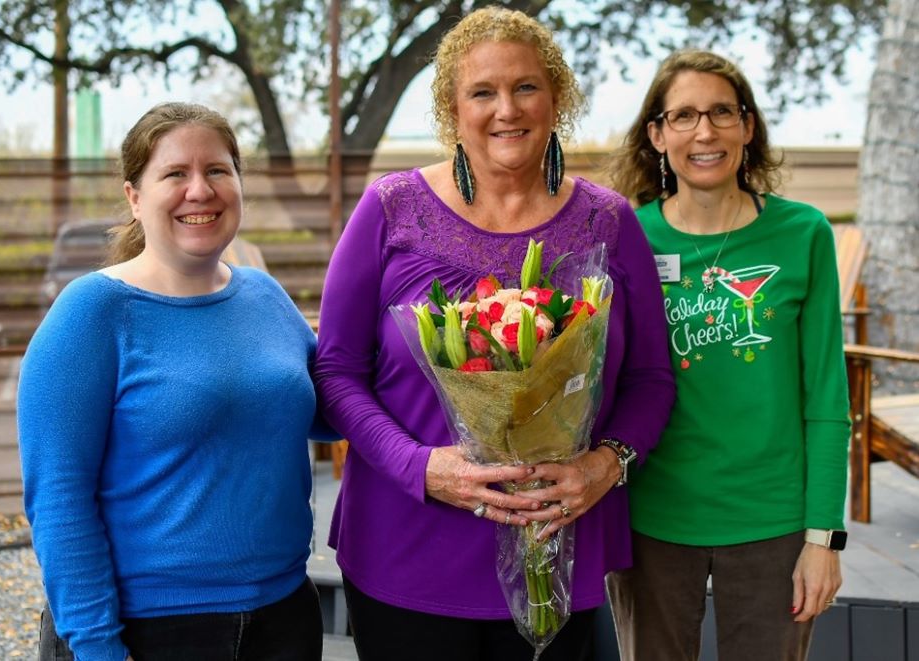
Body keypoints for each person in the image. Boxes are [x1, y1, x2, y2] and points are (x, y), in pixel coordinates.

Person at [314, 7, 675, 660]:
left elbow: (651, 378)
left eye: (526, 87)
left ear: (556, 98)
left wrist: (606, 464)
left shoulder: (610, 222)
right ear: (452, 109)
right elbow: (337, 371)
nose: (506, 109)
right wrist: (419, 466)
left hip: (560, 552)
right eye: (483, 92)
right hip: (407, 550)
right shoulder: (389, 210)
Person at [18, 102, 328, 661]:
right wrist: (97, 647)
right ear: (135, 197)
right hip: (152, 629)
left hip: (284, 615)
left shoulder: (264, 295)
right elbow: (60, 500)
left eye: (216, 170)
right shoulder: (91, 314)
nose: (199, 190)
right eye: (174, 174)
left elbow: (325, 410)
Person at [603, 50, 850, 661]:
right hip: (653, 519)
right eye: (683, 116)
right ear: (657, 135)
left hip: (775, 522)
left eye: (721, 112)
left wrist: (825, 536)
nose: (705, 132)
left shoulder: (804, 234)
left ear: (748, 126)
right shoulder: (626, 238)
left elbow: (826, 398)